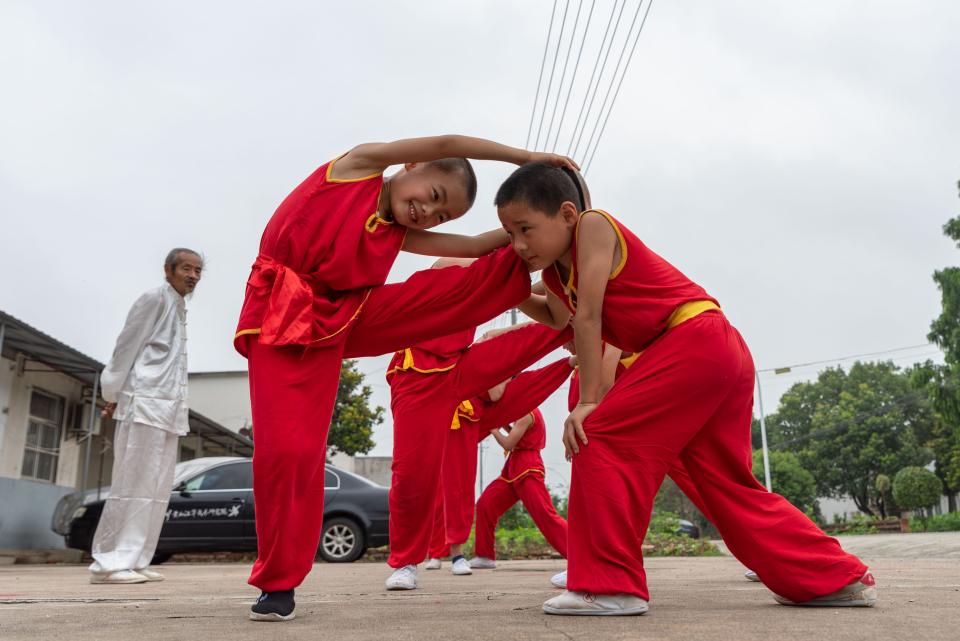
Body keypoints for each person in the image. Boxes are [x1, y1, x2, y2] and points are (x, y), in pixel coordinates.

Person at [497, 162, 876, 616]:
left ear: (566, 214)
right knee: (724, 484)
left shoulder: (594, 227)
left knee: (597, 435)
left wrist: (592, 400)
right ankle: (834, 577)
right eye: (508, 234)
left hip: (694, 341)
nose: (518, 246)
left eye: (525, 229)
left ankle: (610, 586)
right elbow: (559, 317)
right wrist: (505, 290)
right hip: (712, 351)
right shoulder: (559, 274)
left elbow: (588, 319)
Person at [237, 135, 577, 621]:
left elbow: (478, 245)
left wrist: (535, 228)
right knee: (287, 453)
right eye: (434, 196)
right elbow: (449, 140)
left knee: (452, 288)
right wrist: (528, 159)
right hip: (281, 316)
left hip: (343, 317)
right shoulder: (356, 167)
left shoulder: (395, 233)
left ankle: (561, 262)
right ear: (412, 164)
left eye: (442, 217)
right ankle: (278, 582)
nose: (427, 214)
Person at [384, 319, 570, 590]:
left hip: (513, 455)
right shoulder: (422, 350)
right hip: (428, 385)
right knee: (425, 486)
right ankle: (424, 557)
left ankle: (458, 553)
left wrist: (557, 322)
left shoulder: (519, 404)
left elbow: (497, 394)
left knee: (460, 488)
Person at [90, 248, 203, 585]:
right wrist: (112, 392)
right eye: (186, 268)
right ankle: (107, 563)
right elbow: (126, 346)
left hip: (167, 407)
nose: (194, 276)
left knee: (154, 489)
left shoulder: (178, 306)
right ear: (168, 269)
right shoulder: (154, 298)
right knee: (132, 483)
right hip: (144, 402)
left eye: (198, 270)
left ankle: (135, 558)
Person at [469, 408, 568, 571]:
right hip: (512, 469)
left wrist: (493, 429)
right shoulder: (523, 411)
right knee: (485, 504)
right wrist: (504, 425)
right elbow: (516, 435)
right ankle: (485, 556)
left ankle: (580, 555)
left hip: (528, 469)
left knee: (545, 515)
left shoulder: (528, 413)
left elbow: (508, 443)